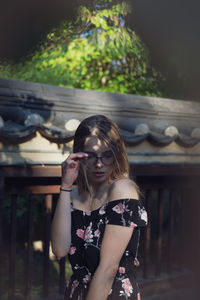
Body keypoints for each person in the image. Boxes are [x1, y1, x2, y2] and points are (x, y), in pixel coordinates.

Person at [51, 115, 147, 300]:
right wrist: (65, 185)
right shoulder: (73, 194)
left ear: (117, 154)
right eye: (91, 156)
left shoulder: (122, 190)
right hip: (76, 293)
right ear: (79, 155)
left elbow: (108, 269)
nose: (99, 164)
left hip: (111, 294)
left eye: (107, 155)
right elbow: (59, 250)